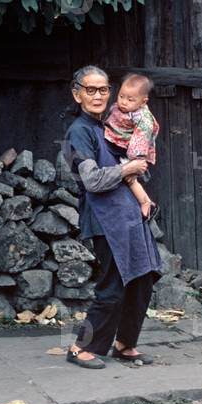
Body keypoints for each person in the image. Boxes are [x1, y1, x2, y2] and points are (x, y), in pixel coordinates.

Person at [63, 65, 163, 369]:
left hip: (128, 215)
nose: (98, 95)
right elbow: (91, 180)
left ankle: (124, 343)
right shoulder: (78, 132)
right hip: (104, 218)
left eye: (103, 89)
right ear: (76, 93)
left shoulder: (109, 125)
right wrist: (127, 169)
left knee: (143, 277)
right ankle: (81, 347)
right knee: (113, 284)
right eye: (90, 89)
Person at [103, 73, 160, 220]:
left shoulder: (143, 118)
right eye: (121, 96)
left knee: (130, 179)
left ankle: (146, 202)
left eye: (130, 99)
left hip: (130, 151)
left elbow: (141, 139)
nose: (123, 102)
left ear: (143, 102)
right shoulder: (119, 107)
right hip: (114, 141)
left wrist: (135, 163)